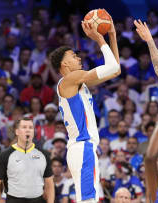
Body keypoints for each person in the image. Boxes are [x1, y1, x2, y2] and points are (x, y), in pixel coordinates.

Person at [50, 10, 120, 203]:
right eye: (74, 56)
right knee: (88, 200)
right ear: (64, 64)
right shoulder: (70, 79)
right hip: (83, 146)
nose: (79, 59)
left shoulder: (76, 82)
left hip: (81, 148)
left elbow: (115, 71)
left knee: (87, 199)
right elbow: (113, 68)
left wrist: (112, 35)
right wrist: (99, 39)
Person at [0, 117, 54, 203]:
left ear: (34, 132)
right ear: (17, 132)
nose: (28, 130)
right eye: (24, 127)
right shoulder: (5, 155)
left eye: (30, 128)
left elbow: (49, 183)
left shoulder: (44, 154)